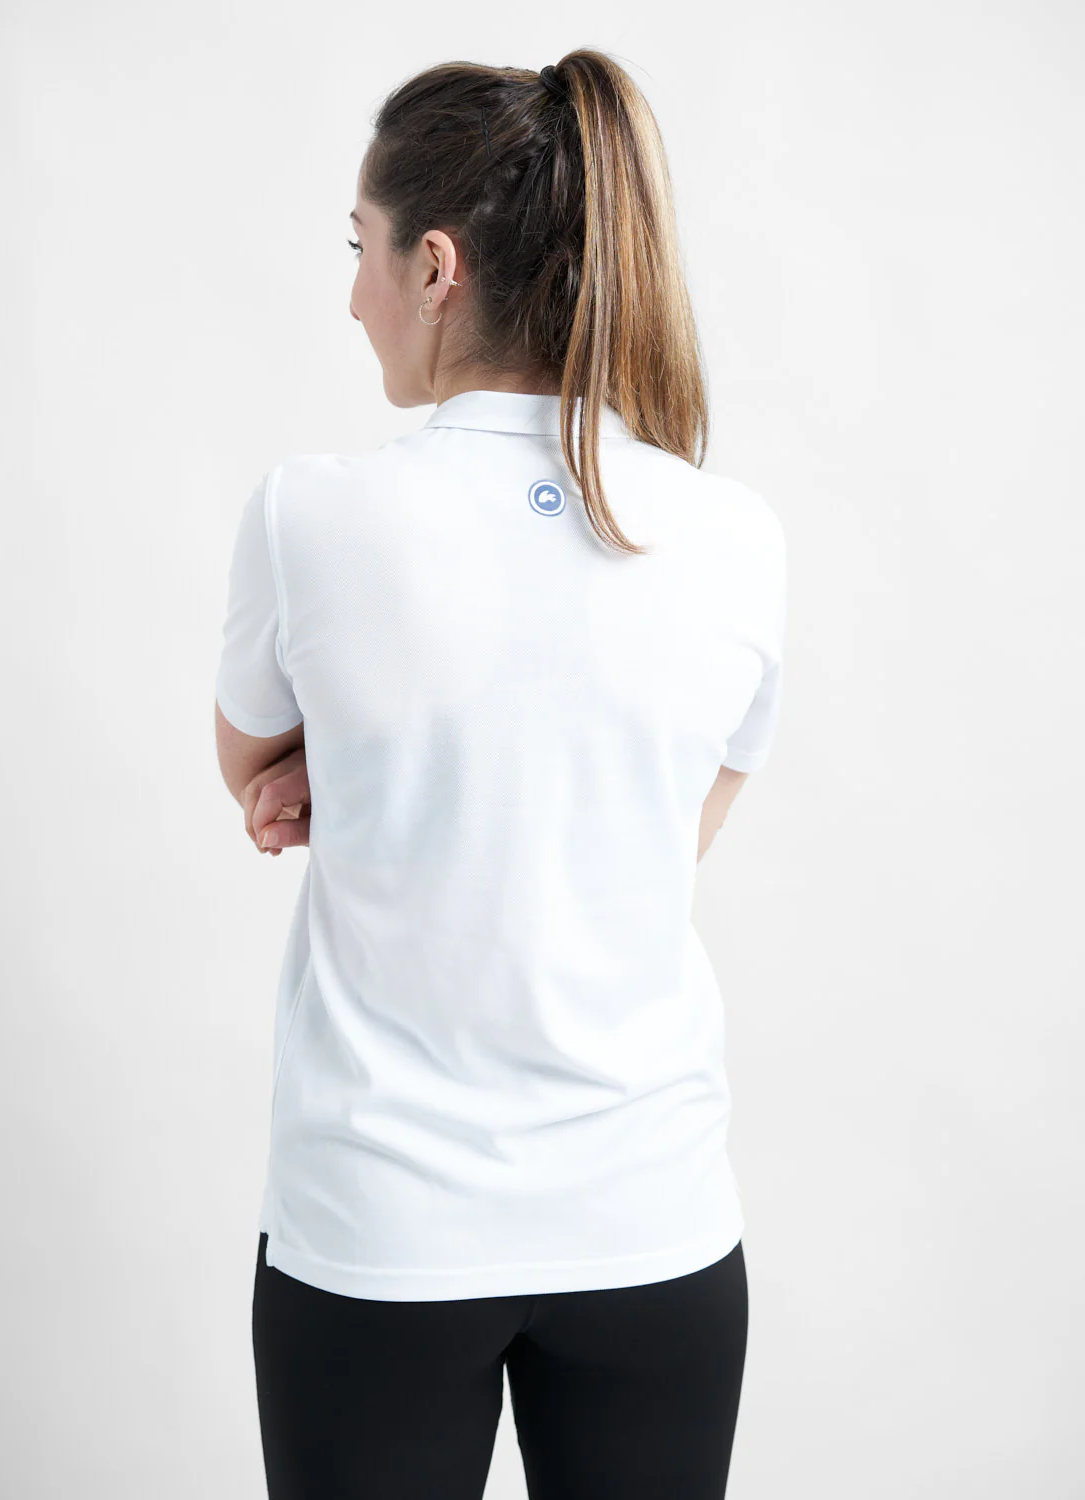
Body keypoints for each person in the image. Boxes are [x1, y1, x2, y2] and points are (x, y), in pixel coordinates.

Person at [214, 48, 787, 1500]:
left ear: (436, 267)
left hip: (381, 1235)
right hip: (649, 1226)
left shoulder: (310, 517)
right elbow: (671, 825)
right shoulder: (734, 537)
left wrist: (367, 772)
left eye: (361, 249)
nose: (353, 296)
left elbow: (250, 758)